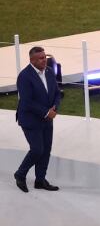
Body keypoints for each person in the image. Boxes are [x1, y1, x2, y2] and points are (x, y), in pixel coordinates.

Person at [13, 46, 62, 193]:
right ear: (32, 60)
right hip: (30, 120)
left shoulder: (49, 72)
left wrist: (55, 107)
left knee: (46, 149)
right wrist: (47, 112)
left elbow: (57, 93)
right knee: (37, 150)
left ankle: (40, 180)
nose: (44, 60)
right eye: (40, 58)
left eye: (45, 57)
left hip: (47, 119)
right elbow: (27, 102)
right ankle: (20, 174)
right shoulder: (24, 76)